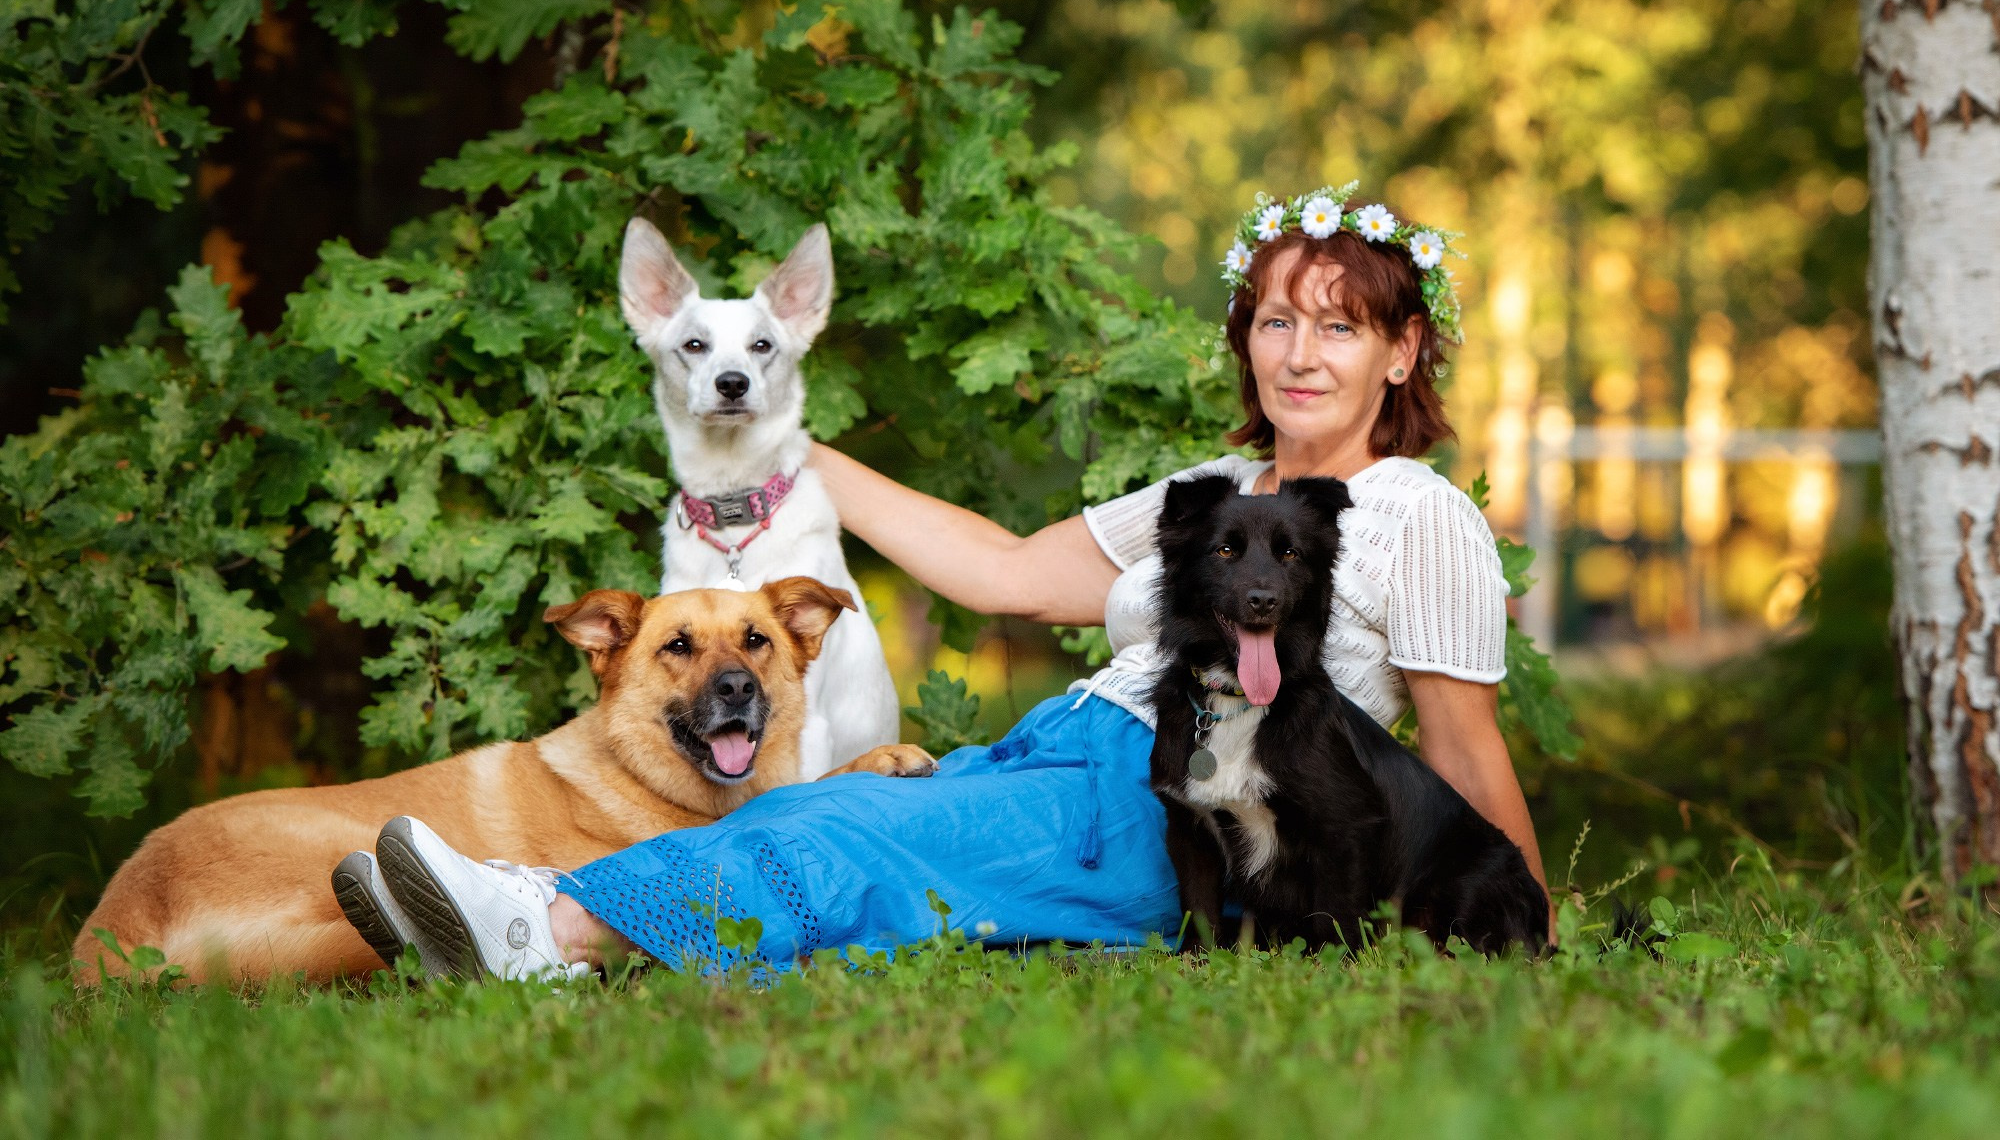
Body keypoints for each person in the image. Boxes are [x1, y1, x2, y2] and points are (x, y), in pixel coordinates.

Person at [367, 187, 1552, 979]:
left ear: (1399, 354)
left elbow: (1460, 747)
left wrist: (1529, 929)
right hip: (1070, 745)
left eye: (1339, 330)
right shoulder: (1211, 491)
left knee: (878, 848)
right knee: (817, 807)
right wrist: (789, 449)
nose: (1299, 354)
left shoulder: (1416, 513)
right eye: (1277, 320)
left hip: (1178, 805)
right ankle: (546, 907)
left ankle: (546, 931)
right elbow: (1008, 574)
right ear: (1245, 336)